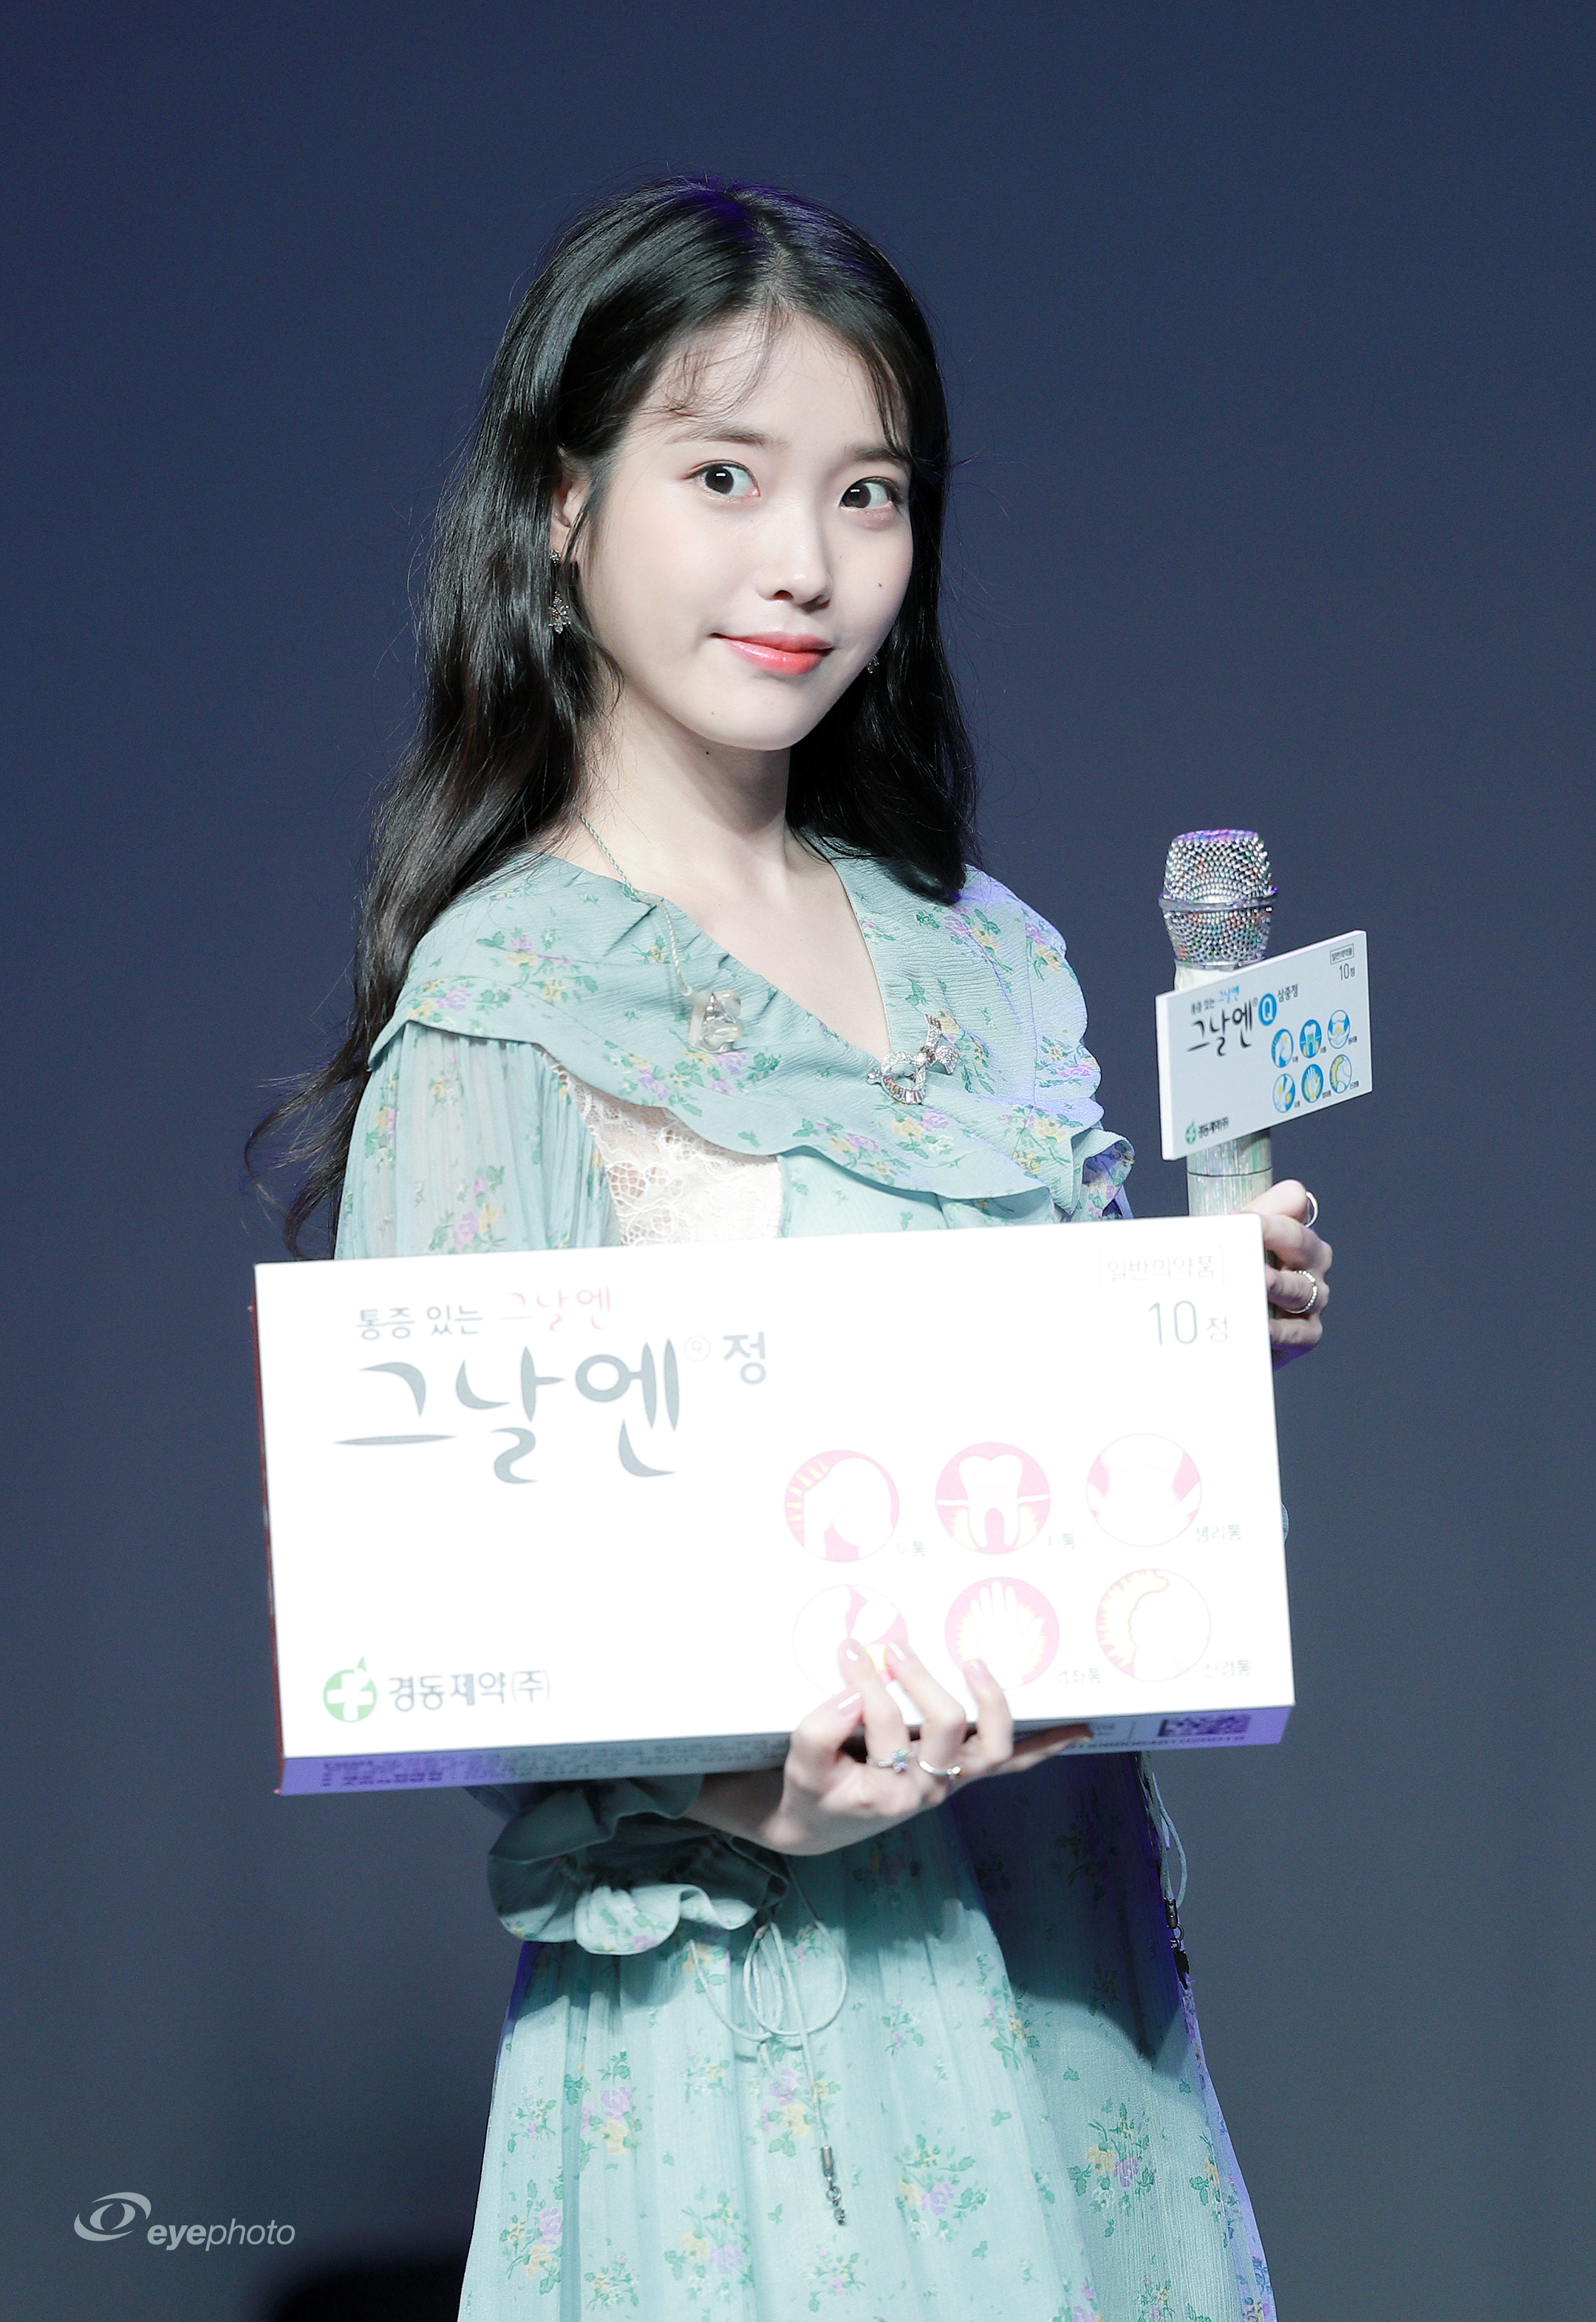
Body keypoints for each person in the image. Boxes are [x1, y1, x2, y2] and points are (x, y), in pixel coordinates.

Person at [262, 178, 1331, 2321]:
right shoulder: (508, 1004)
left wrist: (1201, 1334)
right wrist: (760, 1802)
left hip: (1070, 1974)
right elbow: (443, 1605)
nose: (806, 564)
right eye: (725, 475)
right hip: (768, 2029)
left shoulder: (988, 956)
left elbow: (1054, 1476)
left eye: (869, 491)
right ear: (564, 505)